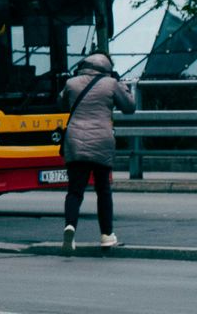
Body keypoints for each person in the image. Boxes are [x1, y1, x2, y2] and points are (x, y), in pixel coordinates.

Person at [58, 52, 135, 255]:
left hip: (75, 142)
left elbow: (61, 104)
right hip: (102, 141)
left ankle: (70, 227)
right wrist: (122, 85)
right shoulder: (111, 84)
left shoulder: (71, 83)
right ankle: (107, 236)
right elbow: (129, 107)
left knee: (75, 191)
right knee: (103, 191)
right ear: (107, 67)